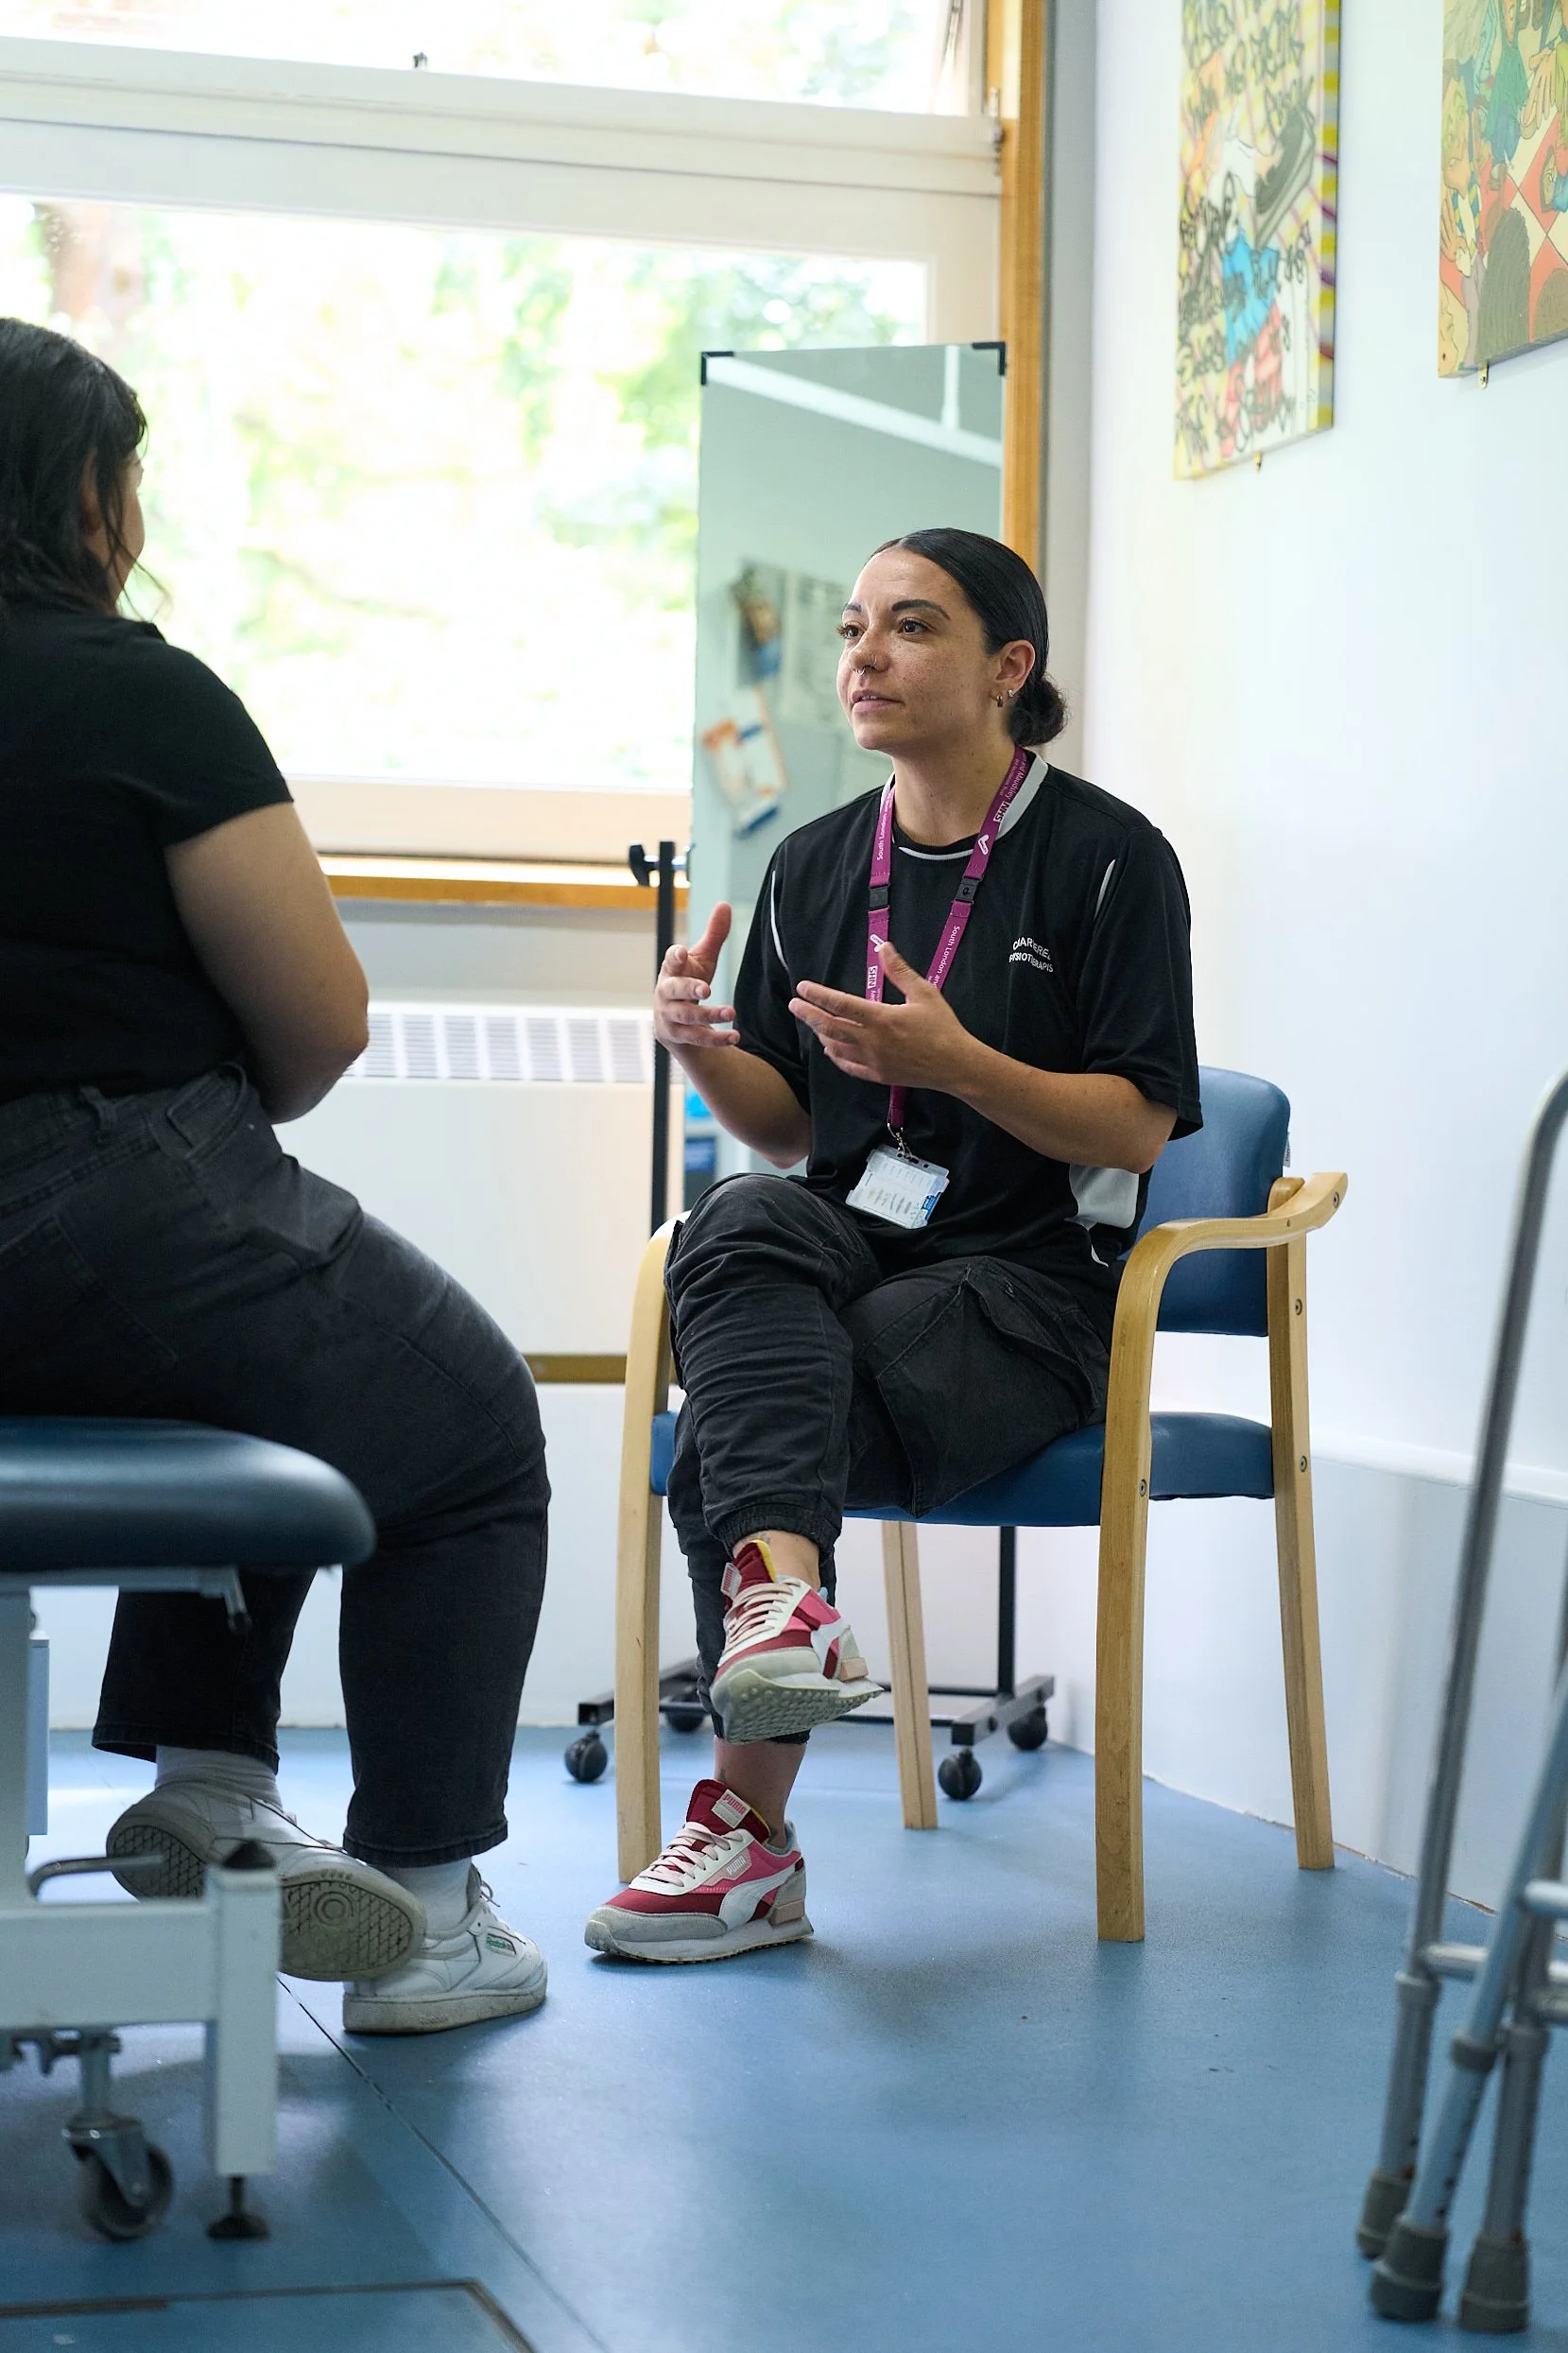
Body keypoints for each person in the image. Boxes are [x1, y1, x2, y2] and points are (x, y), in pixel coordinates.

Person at [0, 318, 550, 2034]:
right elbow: (318, 1023)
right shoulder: (134, 690)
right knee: (453, 1426)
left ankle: (217, 1795)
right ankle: (434, 1909)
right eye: (128, 474)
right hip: (105, 1188)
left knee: (286, 1363)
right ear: (81, 495)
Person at [585, 527, 1199, 1965]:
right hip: (860, 1239)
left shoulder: (1108, 861)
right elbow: (794, 1134)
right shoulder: (813, 861)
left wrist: (962, 1060)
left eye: (909, 628)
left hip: (1041, 1285)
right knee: (729, 1220)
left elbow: (1131, 1134)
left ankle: (743, 1838)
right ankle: (784, 1605)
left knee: (761, 1403)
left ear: (1008, 668)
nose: (862, 656)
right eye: (855, 627)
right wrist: (697, 1048)